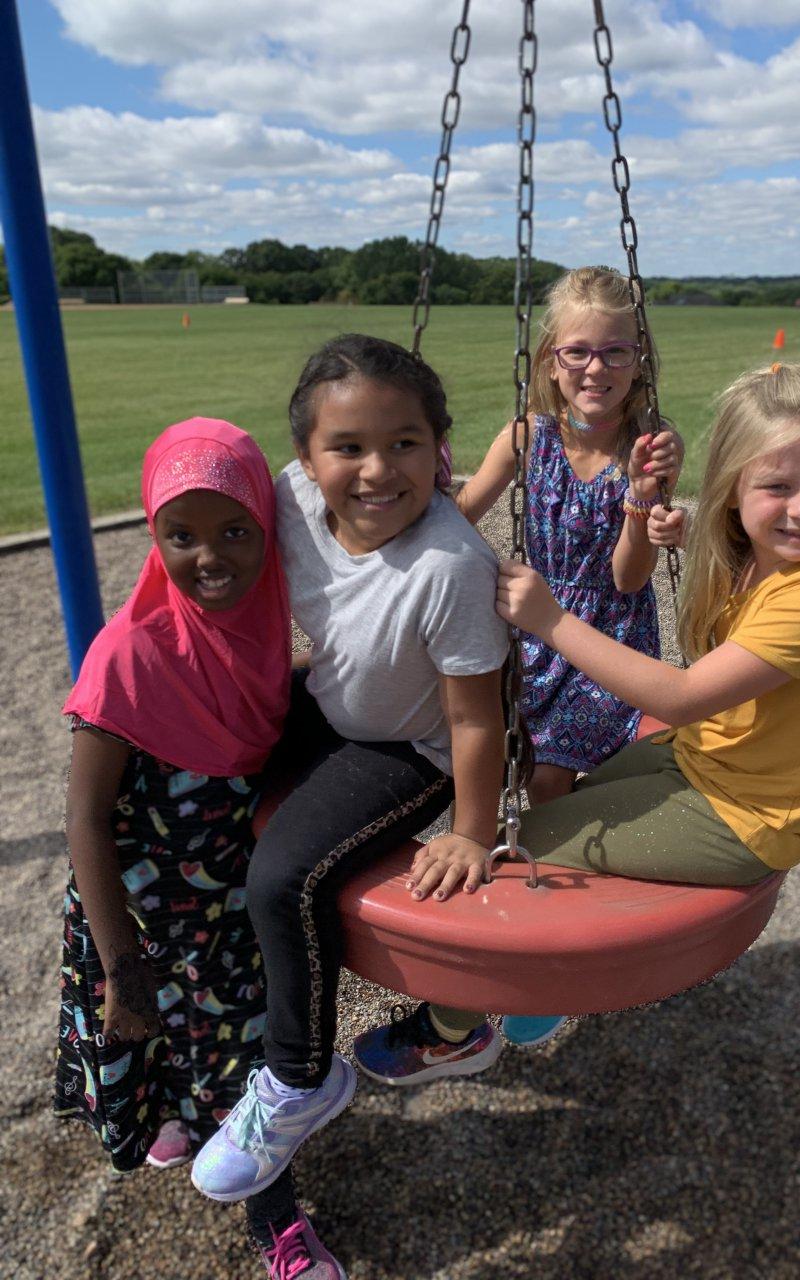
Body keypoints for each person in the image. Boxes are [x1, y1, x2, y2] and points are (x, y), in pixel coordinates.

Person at [190, 336, 512, 1249]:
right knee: (188, 774)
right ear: (306, 459)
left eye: (406, 443)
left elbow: (476, 721)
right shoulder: (292, 502)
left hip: (409, 747)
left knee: (279, 875)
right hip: (330, 704)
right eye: (349, 448)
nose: (378, 470)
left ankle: (299, 1077)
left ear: (441, 451)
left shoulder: (448, 566)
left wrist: (474, 830)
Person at [53, 419, 329, 1275]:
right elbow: (85, 821)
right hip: (150, 917)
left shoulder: (259, 627)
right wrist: (119, 966)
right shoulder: (129, 656)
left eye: (235, 532)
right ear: (153, 536)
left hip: (226, 900)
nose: (209, 557)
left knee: (220, 1054)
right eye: (181, 536)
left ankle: (187, 1118)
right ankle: (273, 1222)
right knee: (237, 1069)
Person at [490, 358, 800, 896]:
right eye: (777, 486)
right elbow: (732, 577)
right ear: (732, 489)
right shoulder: (759, 555)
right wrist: (674, 525)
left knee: (516, 841)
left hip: (751, 815)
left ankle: (575, 969)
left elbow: (682, 698)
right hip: (701, 754)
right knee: (568, 794)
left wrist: (549, 619)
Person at [401, 265, 685, 1051]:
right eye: (578, 352)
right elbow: (461, 514)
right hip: (529, 623)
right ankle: (527, 927)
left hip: (602, 638)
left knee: (553, 783)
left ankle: (552, 964)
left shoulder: (649, 449)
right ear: (551, 359)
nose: (596, 369)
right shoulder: (526, 436)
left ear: (640, 360)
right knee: (524, 772)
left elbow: (631, 575)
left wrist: (645, 503)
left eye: (616, 352)